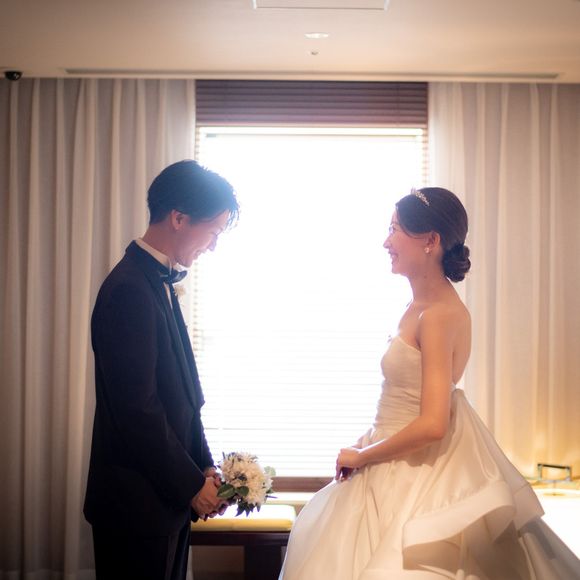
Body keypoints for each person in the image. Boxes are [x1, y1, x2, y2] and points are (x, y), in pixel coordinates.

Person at [279, 187, 580, 579]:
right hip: (386, 458)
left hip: (414, 474)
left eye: (395, 229)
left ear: (431, 240)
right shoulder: (415, 307)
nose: (386, 241)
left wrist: (364, 456)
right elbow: (400, 399)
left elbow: (433, 423)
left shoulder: (439, 315)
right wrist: (364, 444)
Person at [84, 160, 239, 580]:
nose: (213, 246)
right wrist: (190, 485)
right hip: (136, 504)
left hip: (164, 499)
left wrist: (204, 466)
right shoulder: (129, 289)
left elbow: (184, 394)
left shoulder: (157, 282)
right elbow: (138, 411)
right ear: (178, 218)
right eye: (213, 231)